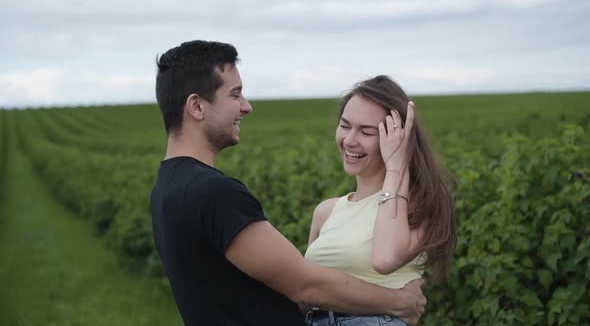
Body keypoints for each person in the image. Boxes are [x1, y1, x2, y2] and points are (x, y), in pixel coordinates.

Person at [150, 40, 427, 326]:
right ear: (196, 106)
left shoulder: (166, 188)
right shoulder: (212, 192)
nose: (247, 107)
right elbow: (305, 285)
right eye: (235, 95)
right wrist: (400, 301)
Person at [304, 76, 457, 325]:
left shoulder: (420, 204)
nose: (350, 140)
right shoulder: (326, 211)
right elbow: (305, 289)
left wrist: (396, 166)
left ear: (397, 137)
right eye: (345, 126)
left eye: (366, 131)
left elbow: (385, 259)